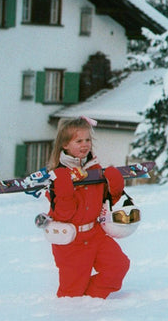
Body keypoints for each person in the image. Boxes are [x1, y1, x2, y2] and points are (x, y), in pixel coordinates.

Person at [43, 116, 129, 299]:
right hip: (71, 241)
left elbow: (108, 203)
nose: (85, 145)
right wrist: (64, 192)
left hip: (95, 234)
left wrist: (115, 187)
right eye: (79, 140)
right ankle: (74, 318)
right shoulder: (58, 176)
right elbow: (63, 215)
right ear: (65, 144)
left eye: (88, 140)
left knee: (117, 266)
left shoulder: (94, 168)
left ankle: (91, 303)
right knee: (72, 293)